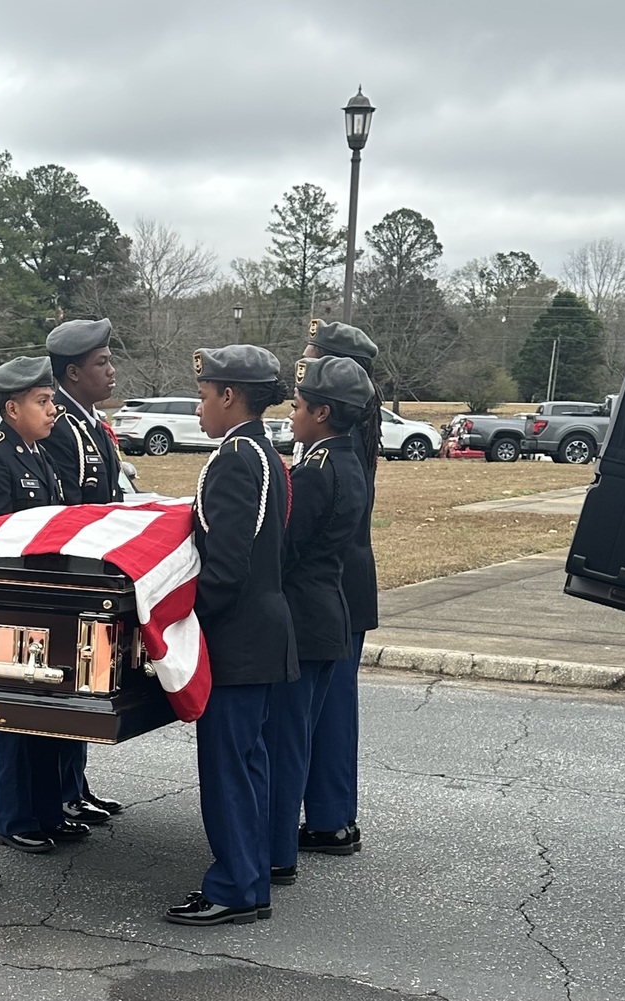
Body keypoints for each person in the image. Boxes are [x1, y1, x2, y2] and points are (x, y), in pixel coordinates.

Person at [164, 344, 298, 928]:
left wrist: (187, 622)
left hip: (239, 638)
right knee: (249, 762)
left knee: (229, 769)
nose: (198, 407)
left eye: (203, 395)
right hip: (263, 631)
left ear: (229, 396)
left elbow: (226, 565)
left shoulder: (236, 459)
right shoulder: (263, 453)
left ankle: (237, 887)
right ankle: (251, 872)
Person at [0, 356, 93, 854]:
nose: (53, 410)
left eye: (52, 400)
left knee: (46, 712)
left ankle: (48, 812)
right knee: (12, 718)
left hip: (45, 605)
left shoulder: (39, 454)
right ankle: (16, 817)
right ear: (12, 407)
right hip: (11, 607)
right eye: (43, 402)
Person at [265, 356, 372, 887]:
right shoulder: (348, 460)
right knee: (298, 737)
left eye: (301, 404)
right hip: (327, 616)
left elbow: (286, 550)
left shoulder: (313, 473)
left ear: (324, 413)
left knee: (285, 740)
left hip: (304, 623)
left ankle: (277, 852)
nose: (293, 410)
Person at [298, 319, 382, 855]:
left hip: (336, 584)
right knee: (334, 706)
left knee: (328, 709)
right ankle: (335, 814)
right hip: (348, 582)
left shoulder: (338, 444)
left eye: (311, 359)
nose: (301, 367)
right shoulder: (352, 434)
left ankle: (329, 819)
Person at [42, 317, 123, 825]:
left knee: (85, 687)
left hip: (97, 575)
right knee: (69, 688)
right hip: (73, 576)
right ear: (73, 373)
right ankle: (59, 792)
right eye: (101, 364)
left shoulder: (91, 422)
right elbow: (68, 509)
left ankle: (74, 786)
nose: (112, 371)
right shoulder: (62, 427)